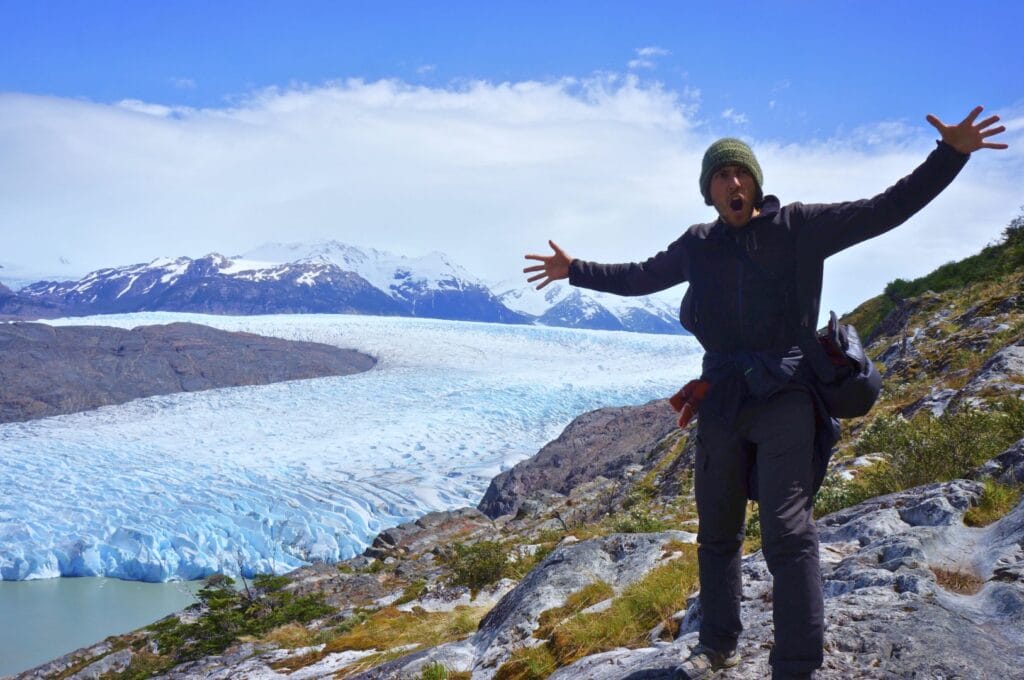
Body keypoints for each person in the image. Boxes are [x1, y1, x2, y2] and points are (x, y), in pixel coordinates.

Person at [523, 107, 1007, 680]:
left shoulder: (797, 226)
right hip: (724, 399)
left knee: (787, 531)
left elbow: (885, 210)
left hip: (786, 396)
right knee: (718, 531)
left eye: (740, 174)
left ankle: (796, 665)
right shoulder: (697, 244)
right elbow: (638, 276)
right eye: (720, 177)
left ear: (756, 182)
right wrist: (574, 268)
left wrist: (949, 155)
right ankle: (718, 643)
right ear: (708, 192)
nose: (732, 184)